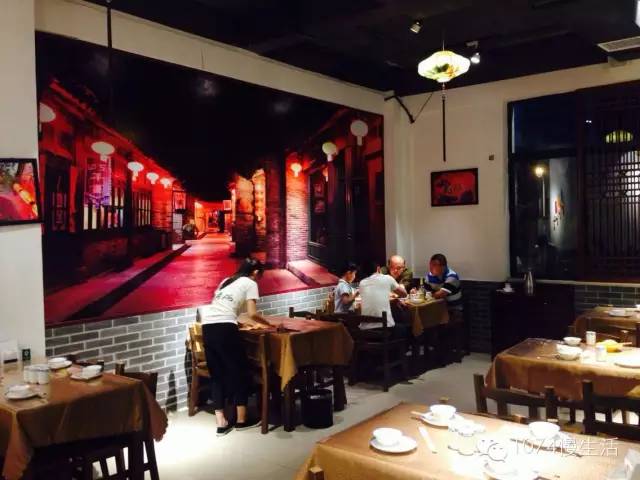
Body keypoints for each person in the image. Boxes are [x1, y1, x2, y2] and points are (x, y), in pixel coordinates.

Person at [199, 258, 269, 436]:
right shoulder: (250, 283)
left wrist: (238, 323)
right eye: (260, 275)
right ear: (255, 272)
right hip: (225, 328)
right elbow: (252, 313)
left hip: (208, 327)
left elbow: (221, 308)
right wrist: (268, 324)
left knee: (217, 375)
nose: (259, 279)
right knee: (240, 372)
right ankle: (241, 420)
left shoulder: (226, 281)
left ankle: (221, 423)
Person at [358, 259, 409, 338]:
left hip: (365, 331)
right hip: (385, 329)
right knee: (405, 327)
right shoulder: (387, 278)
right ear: (378, 269)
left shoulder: (362, 283)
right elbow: (404, 294)